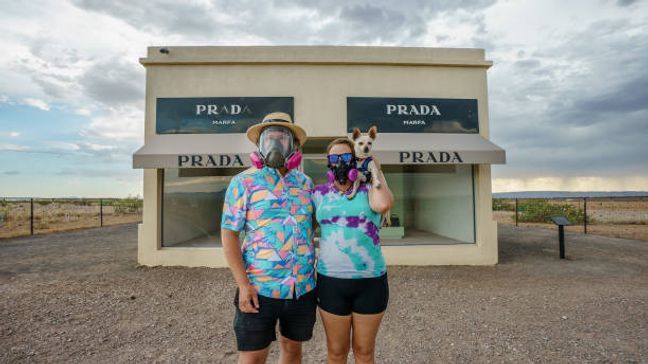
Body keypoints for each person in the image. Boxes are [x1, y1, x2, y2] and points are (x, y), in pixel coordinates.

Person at [221, 112, 316, 364]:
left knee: (293, 351)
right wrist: (243, 285)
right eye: (269, 138)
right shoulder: (243, 182)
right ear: (259, 145)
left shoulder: (306, 183)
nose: (275, 144)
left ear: (294, 146)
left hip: (301, 288)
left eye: (282, 138)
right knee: (252, 357)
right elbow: (229, 233)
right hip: (258, 289)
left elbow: (311, 226)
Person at [312, 138, 394, 364]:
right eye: (334, 158)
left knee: (364, 352)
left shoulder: (370, 190)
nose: (340, 162)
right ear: (328, 163)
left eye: (346, 157)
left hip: (370, 282)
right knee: (336, 352)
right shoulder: (318, 194)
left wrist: (373, 169)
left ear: (355, 160)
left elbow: (384, 205)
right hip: (331, 283)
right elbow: (304, 229)